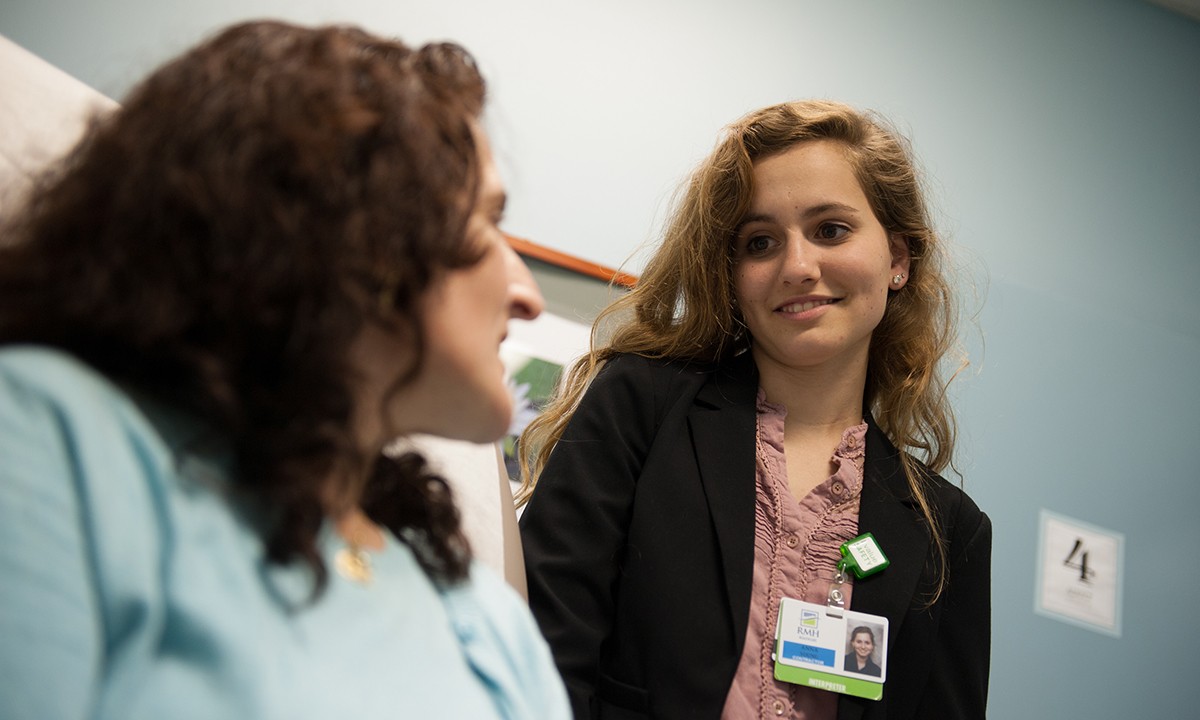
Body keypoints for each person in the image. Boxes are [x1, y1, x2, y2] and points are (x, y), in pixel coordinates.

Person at [0, 21, 571, 720]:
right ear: (357, 235)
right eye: (488, 224)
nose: (528, 296)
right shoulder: (48, 437)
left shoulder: (482, 616)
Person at [517, 100, 991, 720]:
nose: (797, 266)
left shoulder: (947, 531)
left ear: (898, 259)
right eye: (760, 242)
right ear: (731, 273)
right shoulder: (641, 409)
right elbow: (543, 649)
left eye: (831, 230)